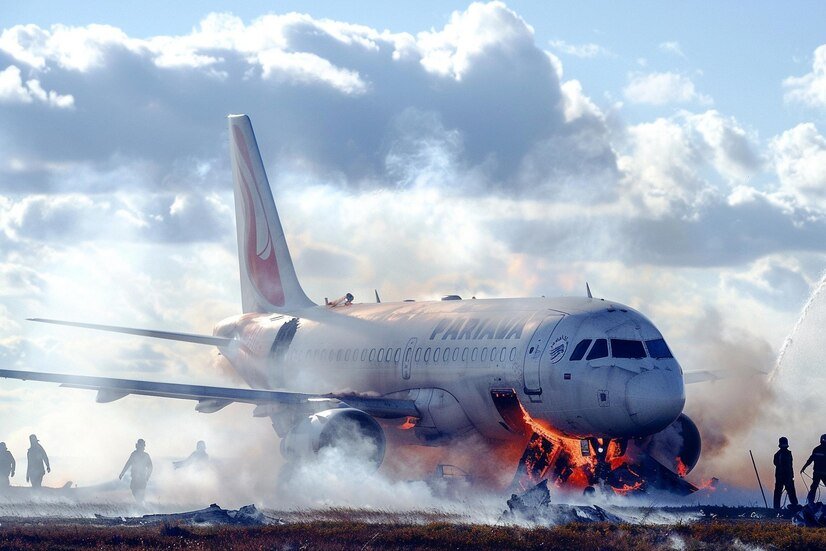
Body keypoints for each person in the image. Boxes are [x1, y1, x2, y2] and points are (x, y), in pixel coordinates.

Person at [119, 439, 153, 503]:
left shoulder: (145, 456)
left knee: (140, 494)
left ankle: (142, 505)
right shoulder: (134, 454)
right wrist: (122, 473)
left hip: (142, 479)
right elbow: (128, 464)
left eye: (141, 445)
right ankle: (142, 505)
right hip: (135, 478)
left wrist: (147, 477)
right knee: (134, 490)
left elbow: (150, 467)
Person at [773, 436, 798, 509]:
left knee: (790, 492)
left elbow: (790, 465)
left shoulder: (786, 454)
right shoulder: (779, 454)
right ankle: (777, 508)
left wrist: (792, 475)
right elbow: (776, 463)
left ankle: (794, 506)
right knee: (780, 492)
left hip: (786, 476)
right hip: (782, 476)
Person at [801, 433, 826, 504]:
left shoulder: (816, 449)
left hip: (817, 473)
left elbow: (810, 460)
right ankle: (810, 502)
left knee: (813, 488)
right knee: (814, 487)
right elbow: (810, 459)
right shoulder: (817, 449)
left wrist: (804, 467)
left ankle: (810, 503)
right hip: (823, 473)